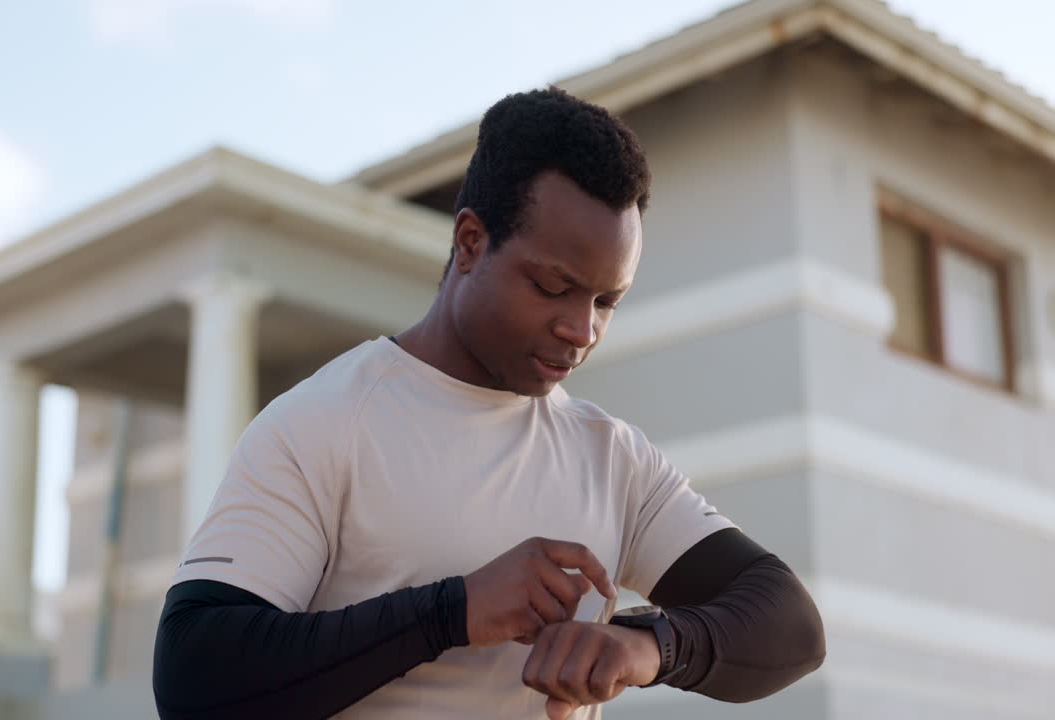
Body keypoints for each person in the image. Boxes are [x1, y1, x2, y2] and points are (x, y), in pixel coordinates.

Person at [152, 87, 825, 720]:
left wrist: (648, 645)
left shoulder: (612, 457)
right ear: (471, 242)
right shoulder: (327, 420)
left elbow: (790, 626)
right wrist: (452, 611)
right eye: (553, 285)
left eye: (605, 302)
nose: (581, 329)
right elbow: (194, 676)